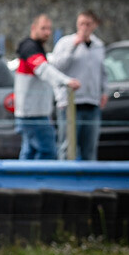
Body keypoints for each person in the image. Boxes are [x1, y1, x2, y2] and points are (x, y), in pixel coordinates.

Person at [14, 14, 80, 160]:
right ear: (33, 28)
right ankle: (40, 183)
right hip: (33, 115)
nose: (47, 32)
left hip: (32, 113)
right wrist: (66, 81)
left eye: (49, 29)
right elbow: (43, 70)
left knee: (29, 152)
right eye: (43, 28)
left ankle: (21, 182)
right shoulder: (29, 47)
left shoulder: (36, 47)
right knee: (48, 151)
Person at [51, 10, 107, 160]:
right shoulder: (65, 43)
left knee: (90, 148)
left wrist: (104, 92)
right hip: (70, 103)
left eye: (88, 24)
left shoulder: (99, 45)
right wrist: (73, 46)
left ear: (94, 25)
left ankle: (90, 181)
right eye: (81, 24)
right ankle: (64, 181)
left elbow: (102, 72)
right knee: (67, 147)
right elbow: (57, 67)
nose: (84, 28)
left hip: (92, 102)